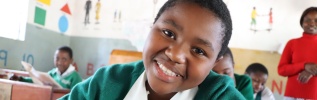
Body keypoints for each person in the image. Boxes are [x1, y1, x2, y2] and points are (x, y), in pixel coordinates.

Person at [59, 0, 246, 99]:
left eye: (198, 51)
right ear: (151, 26)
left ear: (215, 62)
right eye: (168, 33)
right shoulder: (107, 82)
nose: (175, 54)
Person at [278, 7, 317, 100]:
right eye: (307, 20)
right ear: (302, 22)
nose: (312, 23)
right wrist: (304, 66)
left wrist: (312, 72)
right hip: (291, 96)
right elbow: (281, 70)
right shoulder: (292, 43)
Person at [10, 46, 82, 89]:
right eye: (57, 59)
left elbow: (77, 95)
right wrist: (20, 78)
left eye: (64, 59)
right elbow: (37, 80)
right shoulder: (53, 73)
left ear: (71, 61)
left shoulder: (75, 77)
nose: (60, 62)